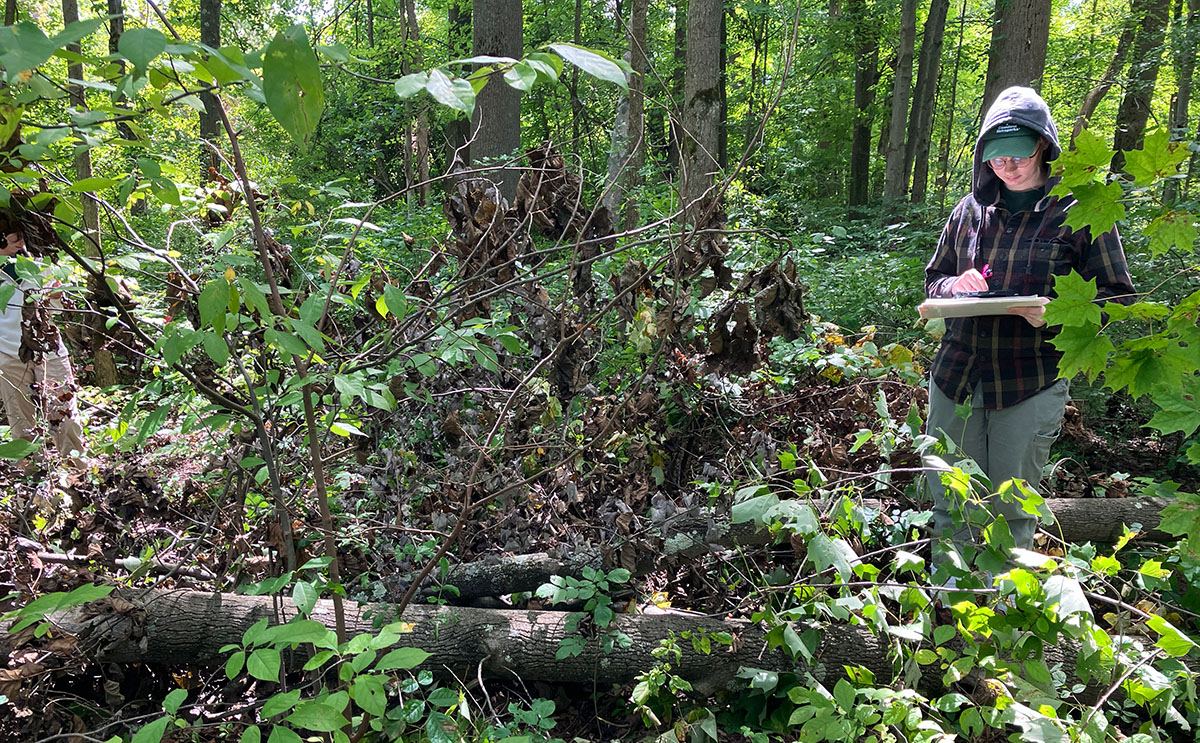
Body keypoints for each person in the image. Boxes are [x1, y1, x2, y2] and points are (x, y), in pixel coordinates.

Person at [923, 86, 1134, 572]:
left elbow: (1118, 297)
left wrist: (1062, 312)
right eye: (996, 158)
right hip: (957, 376)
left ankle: (999, 618)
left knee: (1012, 507)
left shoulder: (1083, 212)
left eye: (1018, 155)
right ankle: (950, 607)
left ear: (1043, 145)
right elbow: (935, 278)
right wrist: (958, 284)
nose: (1008, 167)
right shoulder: (969, 211)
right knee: (952, 503)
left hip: (1030, 379)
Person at [0, 221, 87, 467]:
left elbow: (55, 310)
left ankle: (78, 473)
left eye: (21, 238)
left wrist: (56, 296)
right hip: (8, 354)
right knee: (21, 422)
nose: (20, 243)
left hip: (48, 350)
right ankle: (32, 482)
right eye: (13, 238)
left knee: (65, 414)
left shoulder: (39, 268)